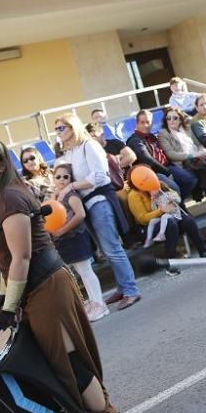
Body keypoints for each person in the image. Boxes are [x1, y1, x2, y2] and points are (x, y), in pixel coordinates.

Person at [0, 139, 125, 413]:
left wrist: (9, 308)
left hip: (47, 287)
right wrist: (5, 299)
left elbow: (23, 256)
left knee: (69, 362)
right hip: (29, 288)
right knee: (39, 361)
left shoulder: (9, 197)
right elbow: (8, 260)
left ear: (1, 164)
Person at [53, 113, 141, 311]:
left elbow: (100, 176)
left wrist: (71, 186)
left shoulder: (89, 145)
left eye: (61, 128)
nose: (58, 132)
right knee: (106, 249)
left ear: (72, 127)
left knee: (112, 247)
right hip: (83, 203)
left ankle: (130, 290)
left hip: (98, 200)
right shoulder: (68, 153)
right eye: (56, 129)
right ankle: (122, 287)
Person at [126, 165, 206, 275]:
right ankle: (171, 263)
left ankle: (203, 251)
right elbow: (142, 219)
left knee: (187, 220)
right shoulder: (134, 195)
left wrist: (164, 195)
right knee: (170, 224)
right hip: (149, 228)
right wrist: (161, 210)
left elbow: (176, 197)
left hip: (169, 218)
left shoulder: (156, 184)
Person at [49, 163, 110, 322]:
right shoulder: (55, 196)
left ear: (71, 179)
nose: (62, 180)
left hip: (76, 236)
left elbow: (80, 214)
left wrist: (62, 230)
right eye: (58, 177)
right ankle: (93, 301)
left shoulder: (72, 195)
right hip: (65, 240)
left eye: (65, 176)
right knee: (82, 272)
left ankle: (99, 304)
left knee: (86, 271)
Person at [86, 124, 125, 191]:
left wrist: (115, 166)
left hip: (126, 180)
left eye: (94, 136)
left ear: (102, 135)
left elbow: (131, 156)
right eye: (90, 138)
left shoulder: (115, 143)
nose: (92, 140)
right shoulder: (90, 154)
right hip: (111, 188)